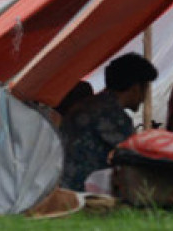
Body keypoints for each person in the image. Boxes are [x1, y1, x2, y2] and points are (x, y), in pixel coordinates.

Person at [59, 53, 158, 190]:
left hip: (60, 185)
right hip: (80, 192)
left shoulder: (87, 105)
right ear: (135, 88)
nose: (144, 98)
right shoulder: (113, 115)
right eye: (145, 89)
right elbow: (136, 158)